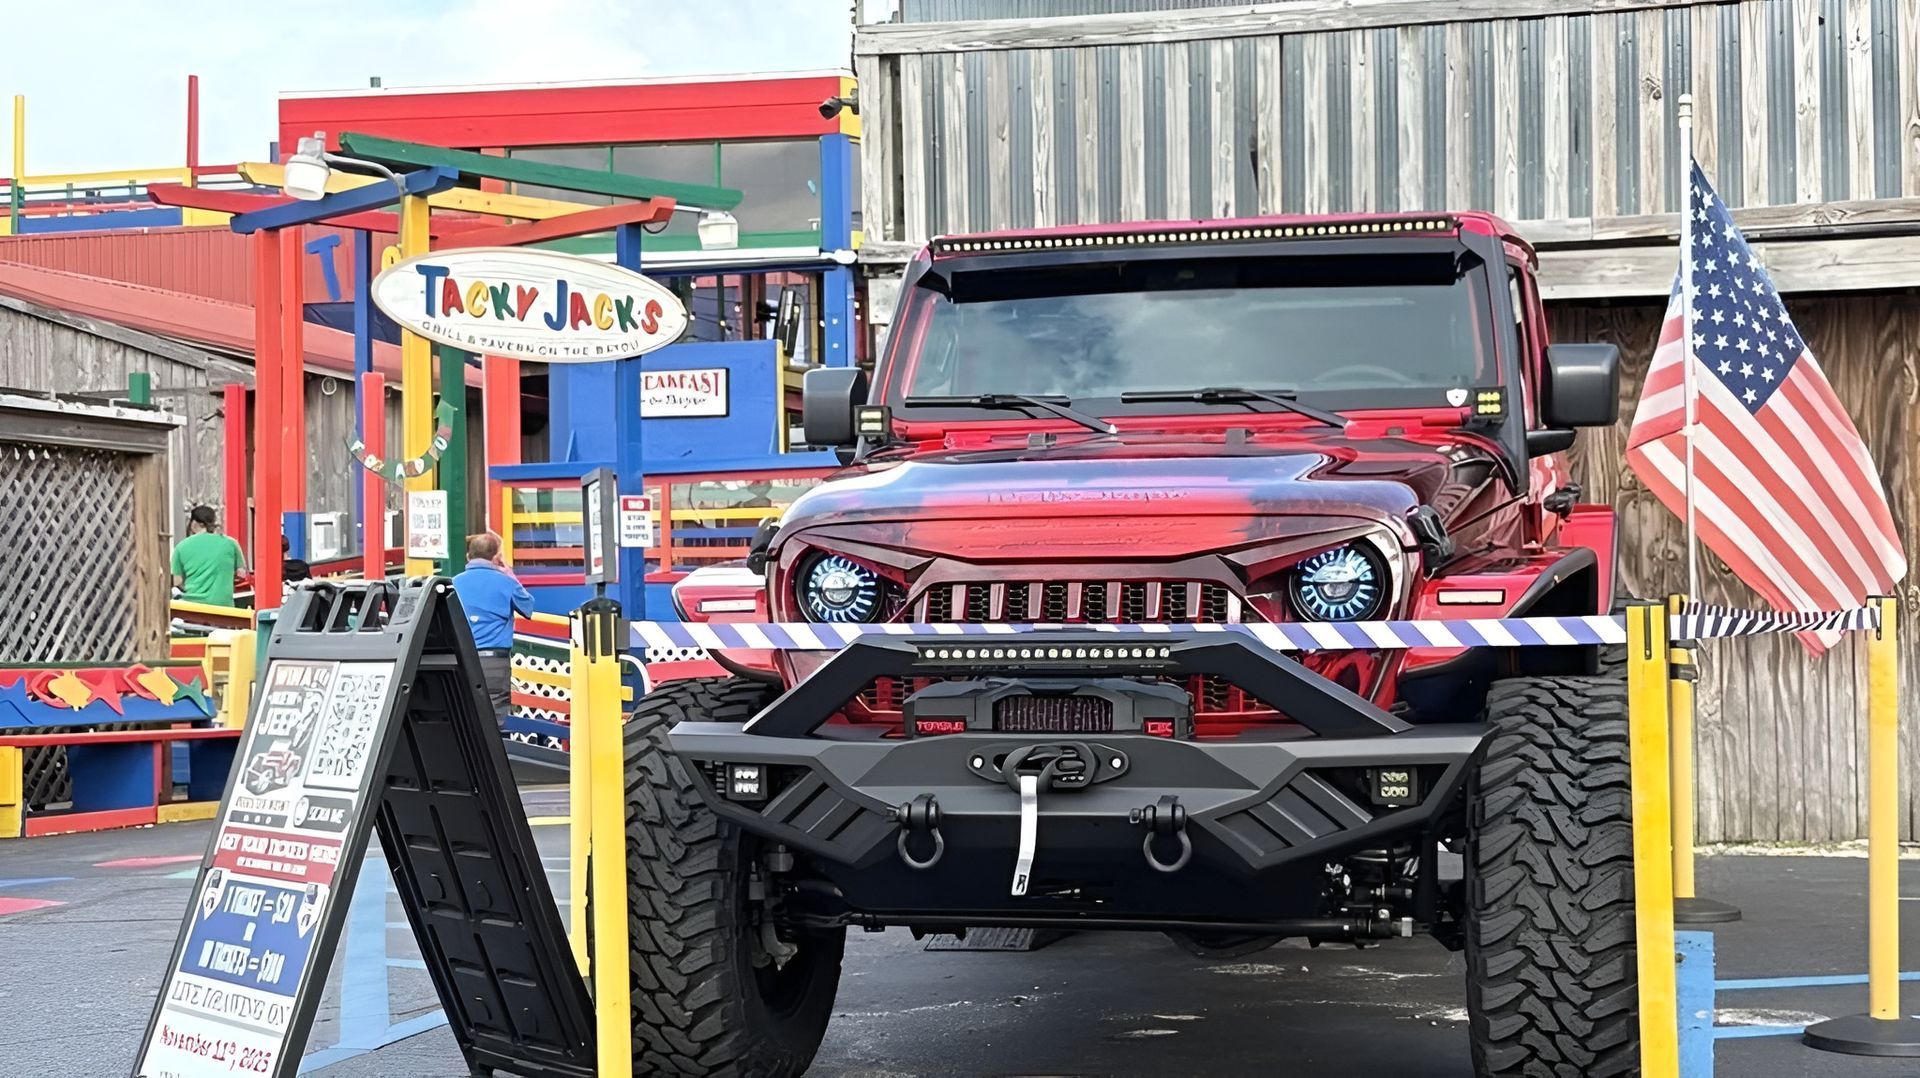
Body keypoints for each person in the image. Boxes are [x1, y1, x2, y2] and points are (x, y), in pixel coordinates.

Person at [450, 532, 533, 725]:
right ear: (496, 557)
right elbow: (528, 607)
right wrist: (509, 573)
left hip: (462, 660)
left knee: (464, 716)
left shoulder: (453, 584)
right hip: (495, 662)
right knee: (495, 721)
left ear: (468, 556)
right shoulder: (506, 582)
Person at [171, 505, 247, 607]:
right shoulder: (231, 543)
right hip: (223, 606)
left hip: (192, 606)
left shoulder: (181, 547)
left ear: (193, 523)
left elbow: (177, 581)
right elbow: (241, 574)